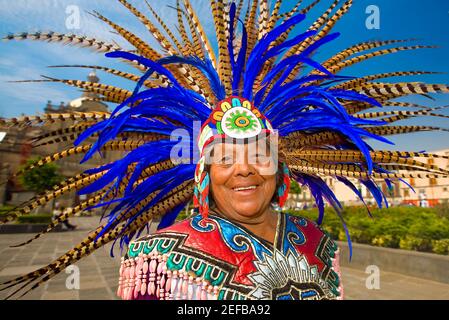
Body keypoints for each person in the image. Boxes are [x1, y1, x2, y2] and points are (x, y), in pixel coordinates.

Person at [1, 0, 448, 300]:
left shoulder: (318, 243)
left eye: (258, 154)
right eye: (225, 158)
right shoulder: (156, 258)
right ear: (202, 174)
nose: (244, 171)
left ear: (280, 168)